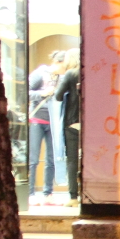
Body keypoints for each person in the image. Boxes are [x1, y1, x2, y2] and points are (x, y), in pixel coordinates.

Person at [27, 51, 64, 198]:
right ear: (57, 62)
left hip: (54, 121)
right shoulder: (40, 73)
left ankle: (48, 193)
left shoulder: (62, 77)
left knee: (52, 158)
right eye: (64, 65)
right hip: (37, 119)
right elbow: (25, 91)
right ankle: (30, 193)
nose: (65, 69)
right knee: (33, 158)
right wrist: (41, 94)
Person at [54, 49, 81, 202]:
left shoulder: (70, 74)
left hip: (72, 122)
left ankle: (73, 197)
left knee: (72, 160)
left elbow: (58, 96)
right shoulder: (89, 73)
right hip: (89, 123)